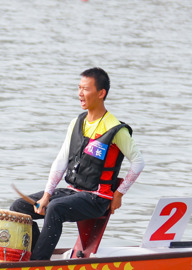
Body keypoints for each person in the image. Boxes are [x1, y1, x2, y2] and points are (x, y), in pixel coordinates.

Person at [10, 68, 145, 260]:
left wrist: (119, 194)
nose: (80, 94)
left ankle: (38, 263)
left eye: (85, 89)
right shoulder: (76, 122)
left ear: (101, 93)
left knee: (56, 209)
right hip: (72, 192)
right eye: (79, 88)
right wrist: (47, 195)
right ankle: (32, 255)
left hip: (97, 199)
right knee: (20, 207)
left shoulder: (116, 129)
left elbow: (138, 163)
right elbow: (61, 161)